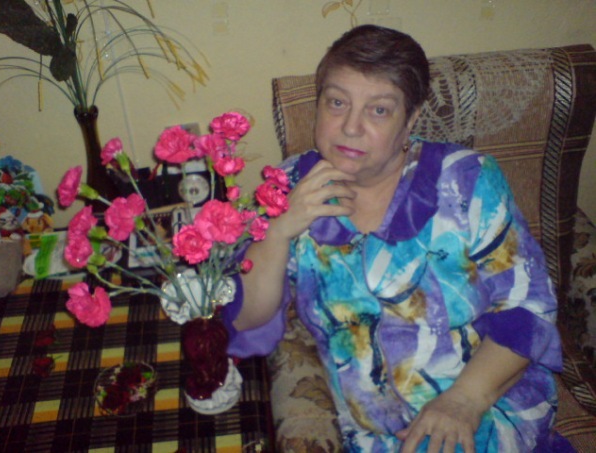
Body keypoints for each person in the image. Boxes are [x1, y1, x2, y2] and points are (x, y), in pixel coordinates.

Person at [222, 25, 570, 452]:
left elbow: (528, 308)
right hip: (372, 433)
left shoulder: (466, 182)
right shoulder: (288, 186)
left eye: (379, 110)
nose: (350, 128)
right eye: (337, 102)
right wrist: (279, 230)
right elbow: (247, 320)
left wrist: (464, 400)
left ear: (411, 119)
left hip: (481, 403)